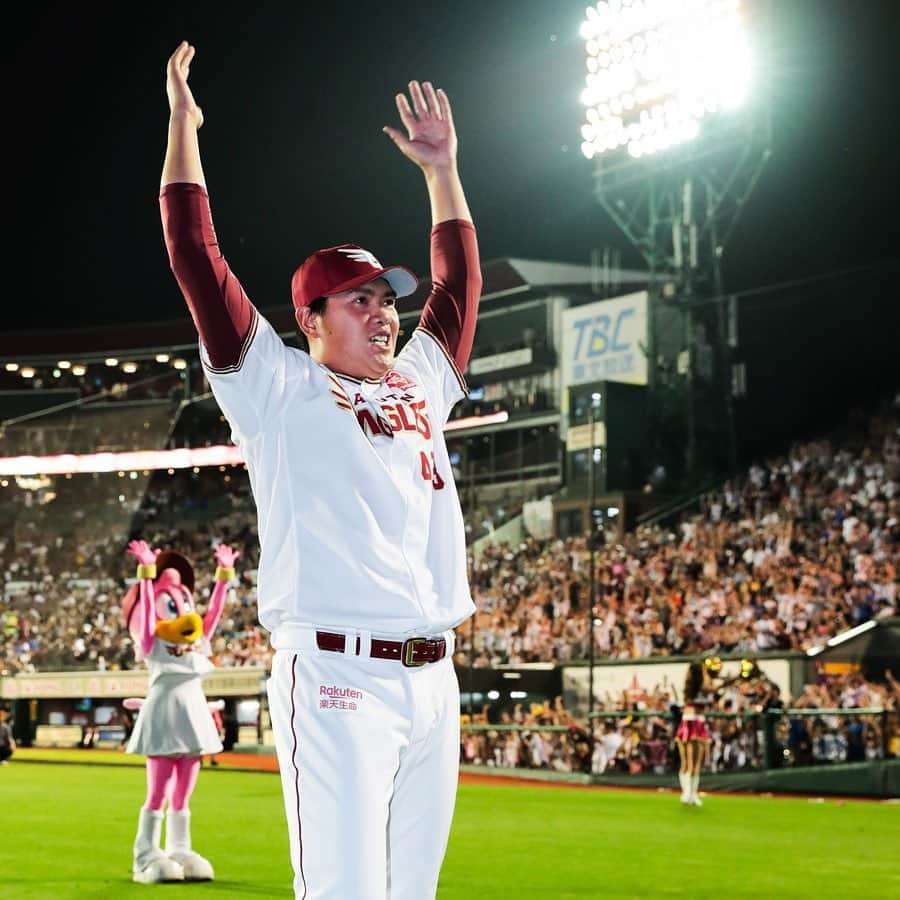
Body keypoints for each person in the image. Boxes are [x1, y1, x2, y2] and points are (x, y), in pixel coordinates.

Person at [159, 40, 482, 900]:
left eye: (386, 299)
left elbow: (456, 289)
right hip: (337, 677)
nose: (383, 315)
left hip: (434, 679)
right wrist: (183, 128)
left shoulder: (419, 381)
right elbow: (196, 256)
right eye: (360, 299)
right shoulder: (277, 386)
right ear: (309, 319)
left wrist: (442, 173)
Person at [122, 540, 239, 883]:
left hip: (192, 713)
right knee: (157, 790)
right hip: (164, 713)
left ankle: (180, 848)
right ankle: (145, 854)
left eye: (184, 600)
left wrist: (223, 577)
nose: (182, 607)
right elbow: (146, 616)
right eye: (171, 601)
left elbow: (213, 614)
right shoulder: (152, 641)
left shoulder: (197, 641)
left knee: (184, 791)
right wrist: (145, 575)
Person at [674, 656, 725, 806]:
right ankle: (689, 793)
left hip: (689, 720)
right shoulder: (701, 685)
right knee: (693, 762)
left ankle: (689, 793)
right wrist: (733, 679)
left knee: (688, 761)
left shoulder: (691, 686)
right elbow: (712, 690)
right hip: (694, 721)